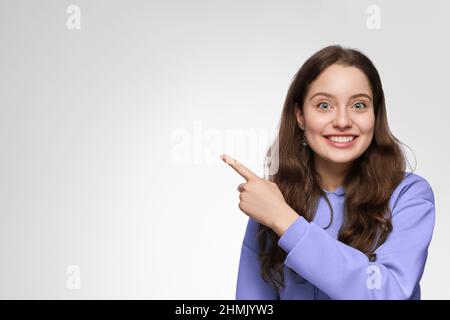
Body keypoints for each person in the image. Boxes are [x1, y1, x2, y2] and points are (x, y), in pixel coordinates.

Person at [221, 45, 436, 300]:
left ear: (375, 114)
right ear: (300, 115)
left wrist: (284, 219)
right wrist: (276, 211)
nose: (343, 121)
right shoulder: (273, 199)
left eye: (358, 105)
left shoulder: (409, 195)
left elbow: (387, 292)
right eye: (324, 105)